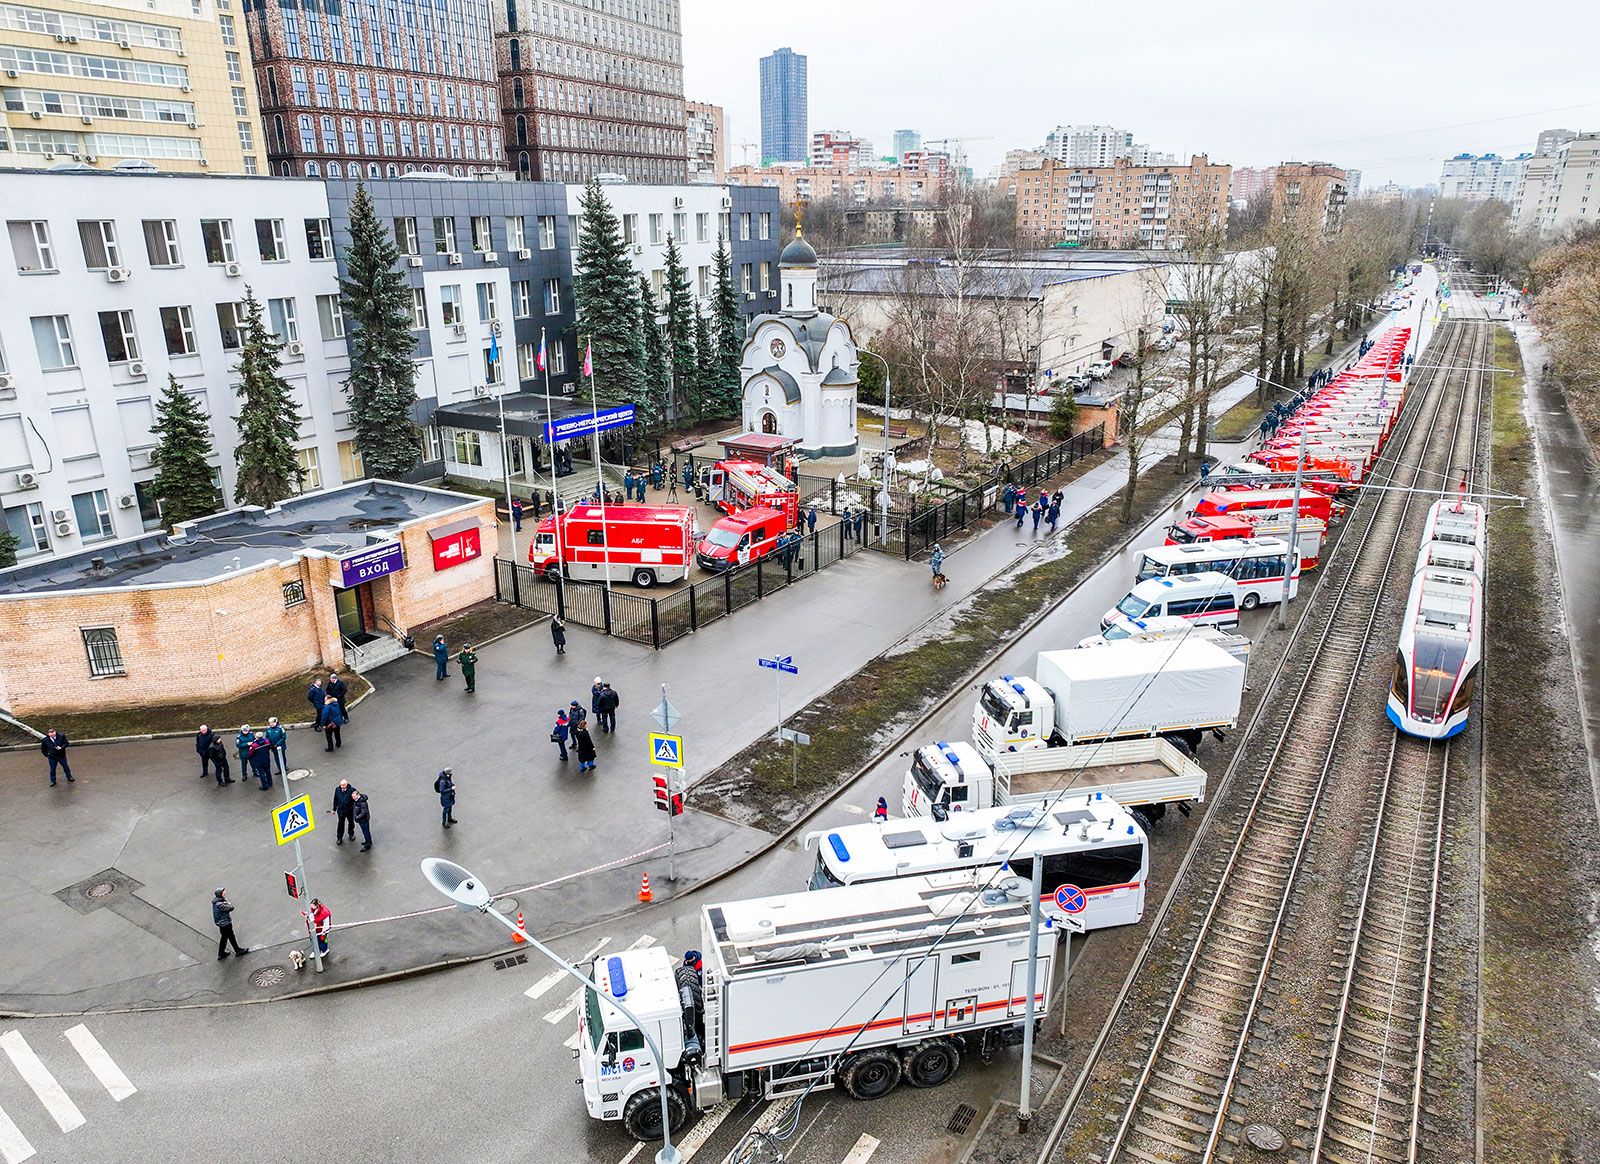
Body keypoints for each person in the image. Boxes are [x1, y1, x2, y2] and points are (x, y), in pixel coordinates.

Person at [213, 888, 249, 960]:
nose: (225, 893)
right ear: (220, 894)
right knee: (231, 936)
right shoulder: (220, 904)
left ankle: (221, 953)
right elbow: (231, 908)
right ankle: (237, 950)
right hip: (225, 923)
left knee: (224, 937)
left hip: (222, 924)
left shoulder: (217, 901)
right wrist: (228, 904)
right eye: (223, 892)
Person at [332, 779, 358, 845]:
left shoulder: (352, 790)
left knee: (351, 822)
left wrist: (355, 808)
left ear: (346, 784)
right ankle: (339, 837)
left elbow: (356, 799)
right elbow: (335, 799)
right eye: (341, 785)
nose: (342, 786)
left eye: (344, 785)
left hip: (349, 810)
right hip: (341, 811)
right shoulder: (337, 790)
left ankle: (351, 834)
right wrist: (334, 809)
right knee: (340, 824)